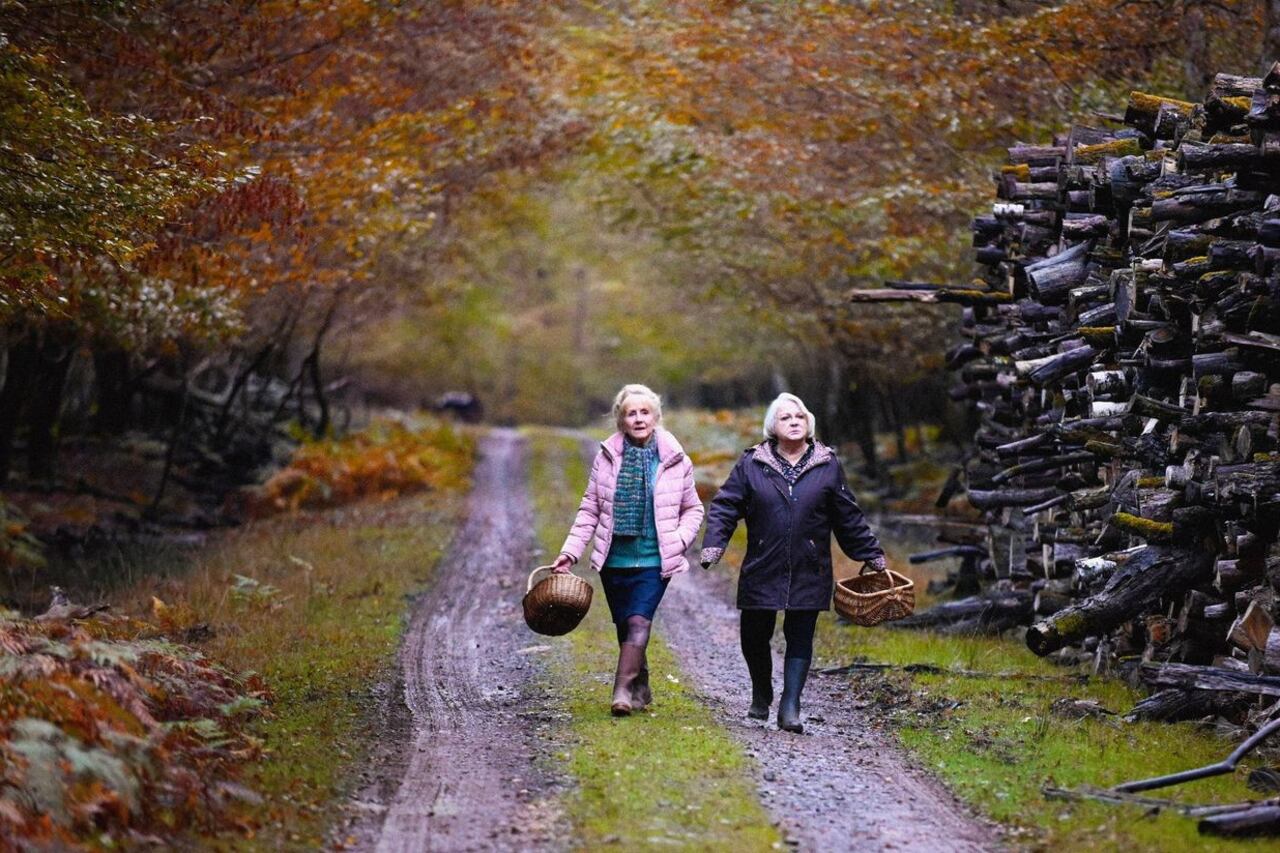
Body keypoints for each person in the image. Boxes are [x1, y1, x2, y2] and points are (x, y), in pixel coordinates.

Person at [699, 393, 886, 733]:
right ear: (773, 426)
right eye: (785, 417)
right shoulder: (752, 462)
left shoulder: (827, 463)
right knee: (754, 634)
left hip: (809, 564)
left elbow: (847, 514)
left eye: (799, 416)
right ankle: (761, 691)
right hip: (762, 561)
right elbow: (726, 505)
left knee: (800, 634)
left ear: (808, 422)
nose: (794, 421)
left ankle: (790, 706)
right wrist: (714, 544)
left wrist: (871, 553)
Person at [552, 384, 705, 716]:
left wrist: (679, 540)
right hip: (615, 560)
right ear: (621, 420)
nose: (638, 419)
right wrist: (570, 552)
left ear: (656, 417)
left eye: (645, 412)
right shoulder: (607, 457)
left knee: (639, 621)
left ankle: (620, 691)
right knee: (625, 626)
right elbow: (590, 509)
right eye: (631, 413)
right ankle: (640, 683)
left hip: (654, 558)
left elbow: (693, 509)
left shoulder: (675, 459)